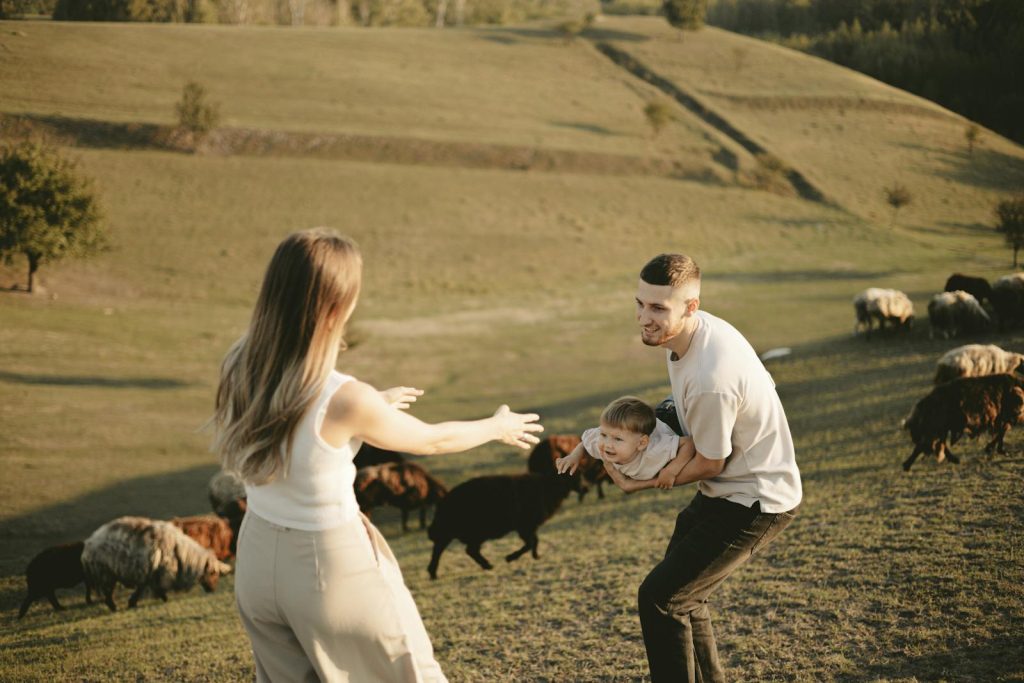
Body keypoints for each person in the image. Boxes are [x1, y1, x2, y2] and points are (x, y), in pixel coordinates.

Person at [210, 229, 543, 683]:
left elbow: (298, 431)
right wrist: (497, 426)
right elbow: (432, 441)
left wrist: (370, 410)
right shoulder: (343, 399)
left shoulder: (239, 363)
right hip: (324, 563)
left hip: (255, 561)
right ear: (335, 307)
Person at [606, 253, 802, 683]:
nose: (644, 317)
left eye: (658, 308)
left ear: (691, 306)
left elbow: (712, 461)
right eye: (640, 303)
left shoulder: (712, 376)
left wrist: (646, 481)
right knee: (682, 596)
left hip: (757, 500)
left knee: (661, 597)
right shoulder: (691, 336)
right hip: (728, 490)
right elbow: (689, 424)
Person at [554, 396, 694, 489]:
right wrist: (573, 457)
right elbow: (586, 442)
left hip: (672, 416)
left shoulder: (655, 450)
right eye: (604, 434)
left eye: (617, 439)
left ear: (641, 443)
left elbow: (689, 444)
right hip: (647, 423)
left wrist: (672, 470)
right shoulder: (604, 442)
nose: (607, 444)